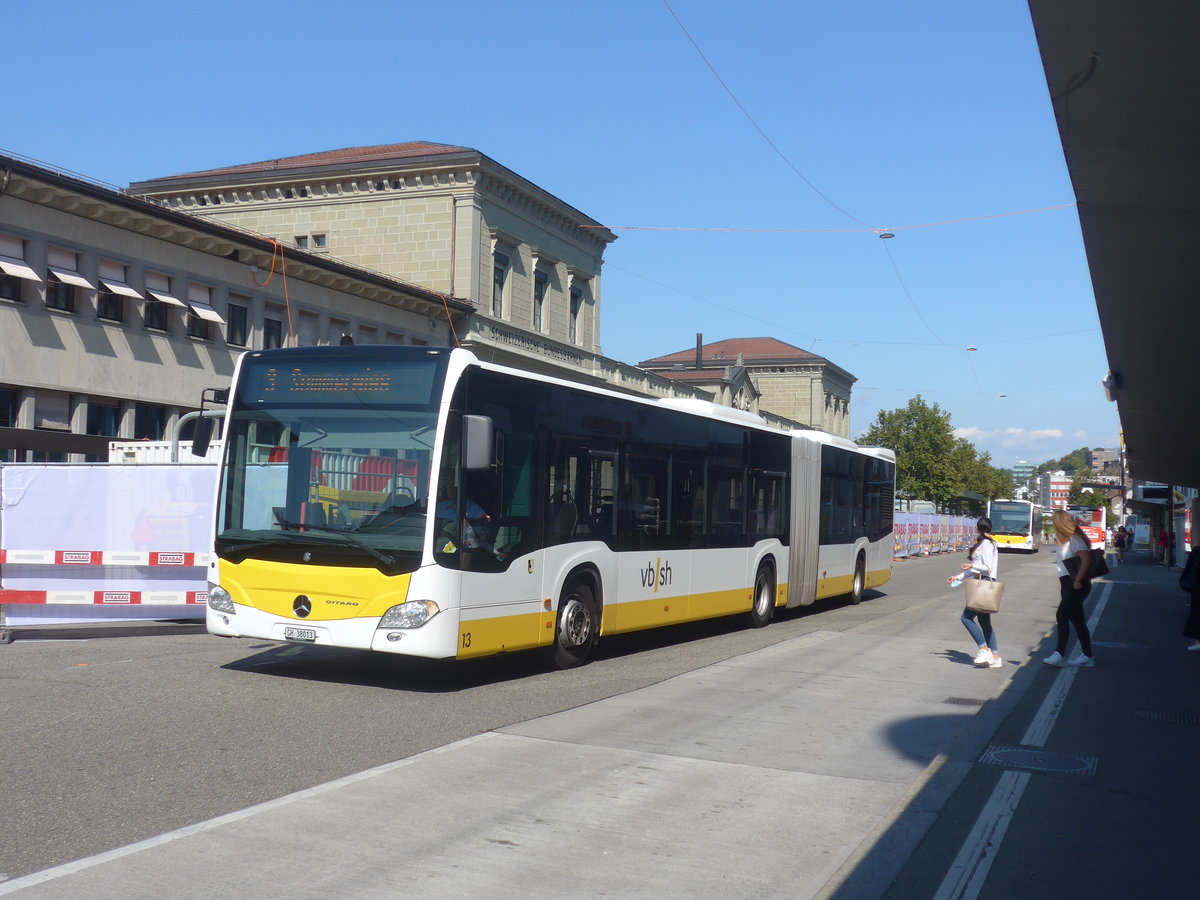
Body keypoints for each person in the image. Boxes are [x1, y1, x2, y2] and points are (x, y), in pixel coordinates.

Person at [947, 516, 1002, 668]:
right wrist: (957, 576)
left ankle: (984, 649)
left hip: (984, 583)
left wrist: (970, 566)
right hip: (983, 581)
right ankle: (996, 656)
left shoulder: (987, 544)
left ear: (978, 528)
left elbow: (988, 567)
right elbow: (977, 567)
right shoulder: (986, 543)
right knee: (985, 622)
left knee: (966, 618)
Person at [1046, 509, 1095, 667]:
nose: (1053, 525)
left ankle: (1059, 654)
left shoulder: (1075, 539)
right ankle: (1087, 656)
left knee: (1061, 615)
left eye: (1054, 522)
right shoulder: (1065, 540)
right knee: (1077, 619)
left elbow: (1086, 559)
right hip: (1067, 582)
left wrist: (1078, 580)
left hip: (1076, 583)